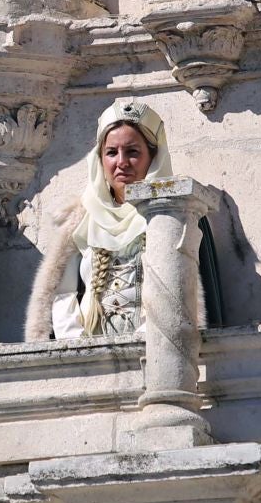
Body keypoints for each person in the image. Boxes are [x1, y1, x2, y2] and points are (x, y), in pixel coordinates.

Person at [27, 101, 171, 341]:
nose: (121, 162)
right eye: (112, 152)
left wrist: (146, 340)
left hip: (153, 349)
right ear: (100, 158)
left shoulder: (172, 216)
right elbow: (62, 294)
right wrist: (76, 347)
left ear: (153, 157)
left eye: (133, 152)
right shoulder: (80, 220)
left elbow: (181, 293)